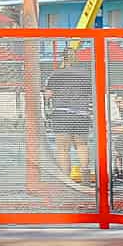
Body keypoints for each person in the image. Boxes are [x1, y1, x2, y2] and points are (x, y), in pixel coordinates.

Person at [44, 53, 94, 183]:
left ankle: (66, 181)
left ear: (64, 59)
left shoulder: (57, 74)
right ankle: (86, 178)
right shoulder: (87, 74)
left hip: (62, 113)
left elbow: (48, 95)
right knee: (82, 145)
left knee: (63, 149)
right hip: (82, 113)